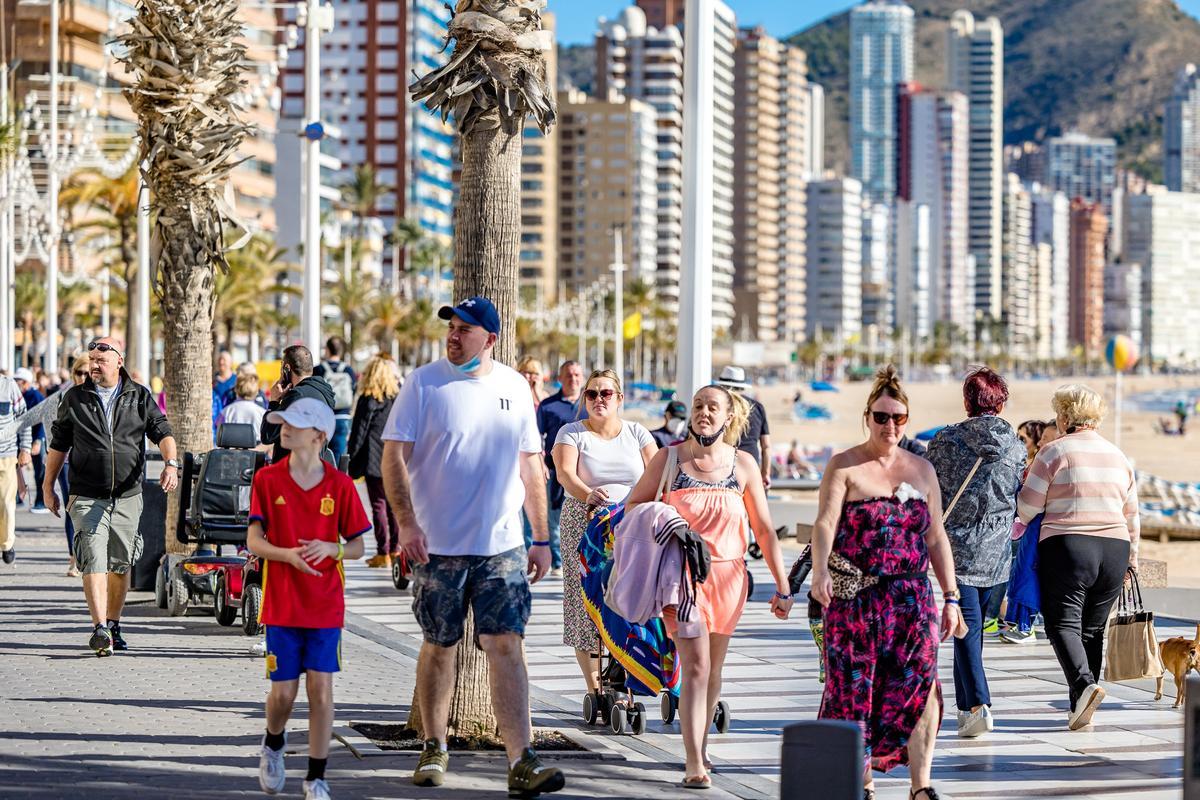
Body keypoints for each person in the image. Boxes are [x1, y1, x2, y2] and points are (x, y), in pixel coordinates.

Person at [380, 296, 565, 796]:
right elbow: (393, 457)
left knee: (507, 647)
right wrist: (406, 524)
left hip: (502, 547)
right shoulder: (423, 384)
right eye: (452, 327)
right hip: (436, 547)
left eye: (466, 329)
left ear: (491, 338)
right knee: (440, 646)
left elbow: (531, 467)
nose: (454, 336)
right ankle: (434, 748)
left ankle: (521, 759)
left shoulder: (513, 388)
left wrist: (542, 538)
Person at [809, 366, 967, 800]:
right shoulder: (845, 465)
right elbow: (824, 523)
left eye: (898, 418)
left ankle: (921, 785)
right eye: (881, 417)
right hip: (856, 600)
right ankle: (861, 781)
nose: (890, 426)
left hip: (912, 600)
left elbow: (936, 536)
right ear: (867, 417)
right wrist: (820, 572)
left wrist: (951, 598)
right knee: (853, 689)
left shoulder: (922, 470)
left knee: (922, 686)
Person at [625, 384, 793, 788]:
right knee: (696, 667)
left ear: (728, 417)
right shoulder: (670, 459)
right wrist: (666, 519)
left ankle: (701, 745)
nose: (703, 411)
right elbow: (632, 507)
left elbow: (765, 531)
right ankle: (694, 760)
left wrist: (783, 587)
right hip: (682, 579)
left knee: (713, 670)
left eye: (712, 406)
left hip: (730, 579)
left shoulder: (744, 465)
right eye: (698, 405)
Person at [248, 397, 369, 800]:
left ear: (318, 435)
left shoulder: (340, 485)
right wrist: (287, 556)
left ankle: (316, 777)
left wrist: (330, 548)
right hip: (281, 603)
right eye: (282, 422)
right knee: (283, 694)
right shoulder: (267, 479)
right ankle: (274, 742)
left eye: (294, 424)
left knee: (321, 689)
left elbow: (357, 547)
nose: (284, 428)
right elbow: (253, 541)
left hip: (324, 605)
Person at [42, 337, 180, 656]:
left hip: (128, 495)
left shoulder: (138, 396)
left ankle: (114, 624)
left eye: (100, 360)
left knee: (120, 563)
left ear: (119, 361)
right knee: (92, 554)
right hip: (87, 494)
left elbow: (163, 431)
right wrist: (48, 487)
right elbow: (59, 445)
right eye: (91, 360)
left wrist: (171, 464)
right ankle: (99, 628)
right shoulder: (74, 398)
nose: (94, 365)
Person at [1017, 384, 1140, 731]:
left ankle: (1084, 686)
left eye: (1059, 412)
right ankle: (1080, 706)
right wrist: (1134, 559)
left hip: (1070, 544)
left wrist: (1023, 509)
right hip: (1116, 548)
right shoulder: (1118, 456)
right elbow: (1133, 515)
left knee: (1062, 623)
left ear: (1067, 416)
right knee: (1092, 629)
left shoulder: (1055, 452)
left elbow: (1027, 506)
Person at [925, 367, 1025, 738]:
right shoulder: (1016, 445)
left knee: (966, 629)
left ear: (968, 399)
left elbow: (931, 489)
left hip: (956, 551)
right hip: (999, 554)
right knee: (971, 630)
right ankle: (967, 710)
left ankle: (980, 704)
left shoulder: (944, 442)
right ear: (1000, 400)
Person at [552, 369, 657, 692]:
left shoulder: (637, 433)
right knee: (584, 597)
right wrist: (589, 494)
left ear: (619, 399)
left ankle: (626, 669)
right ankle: (594, 687)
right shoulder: (571, 433)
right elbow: (565, 474)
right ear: (584, 399)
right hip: (584, 521)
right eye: (592, 394)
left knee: (628, 595)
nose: (599, 399)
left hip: (631, 524)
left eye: (606, 393)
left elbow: (657, 474)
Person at [1, 356, 89, 574]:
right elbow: (26, 418)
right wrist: (18, 441)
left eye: (89, 373)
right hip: (66, 461)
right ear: (73, 373)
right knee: (73, 507)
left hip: (96, 462)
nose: (84, 378)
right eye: (80, 373)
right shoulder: (59, 398)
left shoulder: (105, 397)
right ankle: (74, 557)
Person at [996, 419, 1051, 645]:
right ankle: (1017, 621)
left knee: (1025, 573)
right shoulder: (1023, 463)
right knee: (1018, 574)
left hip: (1031, 525)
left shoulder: (1041, 465)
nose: (1018, 442)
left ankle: (1025, 624)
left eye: (1023, 438)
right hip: (1022, 525)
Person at [348, 354, 401, 568]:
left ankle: (383, 552)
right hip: (394, 458)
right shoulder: (396, 399)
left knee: (378, 505)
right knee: (393, 506)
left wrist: (351, 457)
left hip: (373, 460)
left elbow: (359, 432)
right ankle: (397, 550)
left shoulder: (367, 399)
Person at [535, 361, 587, 574]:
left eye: (577, 375)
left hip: (584, 472)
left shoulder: (590, 404)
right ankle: (559, 562)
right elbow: (536, 438)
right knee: (555, 519)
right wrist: (540, 464)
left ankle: (580, 560)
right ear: (560, 378)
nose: (573, 379)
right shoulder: (548, 406)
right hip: (555, 472)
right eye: (568, 375)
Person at [261, 346, 336, 463]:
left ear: (287, 368)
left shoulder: (297, 396)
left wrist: (274, 402)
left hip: (291, 473)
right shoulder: (323, 393)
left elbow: (267, 435)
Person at [715, 365, 771, 488]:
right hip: (752, 466)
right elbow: (766, 446)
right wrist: (765, 473)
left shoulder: (717, 407)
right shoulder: (757, 407)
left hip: (724, 468)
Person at [0, 371, 31, 563]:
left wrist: (25, 448)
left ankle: (7, 543)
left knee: (5, 504)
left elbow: (24, 418)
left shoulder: (8, 385)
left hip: (6, 455)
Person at [313, 336, 358, 464]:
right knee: (340, 455)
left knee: (321, 455)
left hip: (323, 417)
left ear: (327, 349)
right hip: (343, 417)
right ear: (341, 351)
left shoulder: (319, 369)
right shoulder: (348, 370)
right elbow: (354, 390)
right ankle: (340, 482)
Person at [13, 368, 48, 512]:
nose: (15, 383)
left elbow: (43, 418)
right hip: (19, 440)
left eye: (18, 381)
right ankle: (17, 498)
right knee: (15, 470)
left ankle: (42, 501)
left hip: (36, 439)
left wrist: (38, 441)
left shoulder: (35, 396)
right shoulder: (17, 396)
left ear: (26, 383)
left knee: (40, 471)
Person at [216, 372, 268, 441]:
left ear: (236, 390)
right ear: (256, 392)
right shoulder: (262, 413)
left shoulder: (226, 411)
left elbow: (218, 429)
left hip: (232, 448)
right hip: (257, 448)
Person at [212, 350, 236, 429]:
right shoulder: (212, 380)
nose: (221, 362)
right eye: (220, 360)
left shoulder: (236, 380)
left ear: (230, 363)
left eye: (224, 360)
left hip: (232, 418)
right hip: (216, 420)